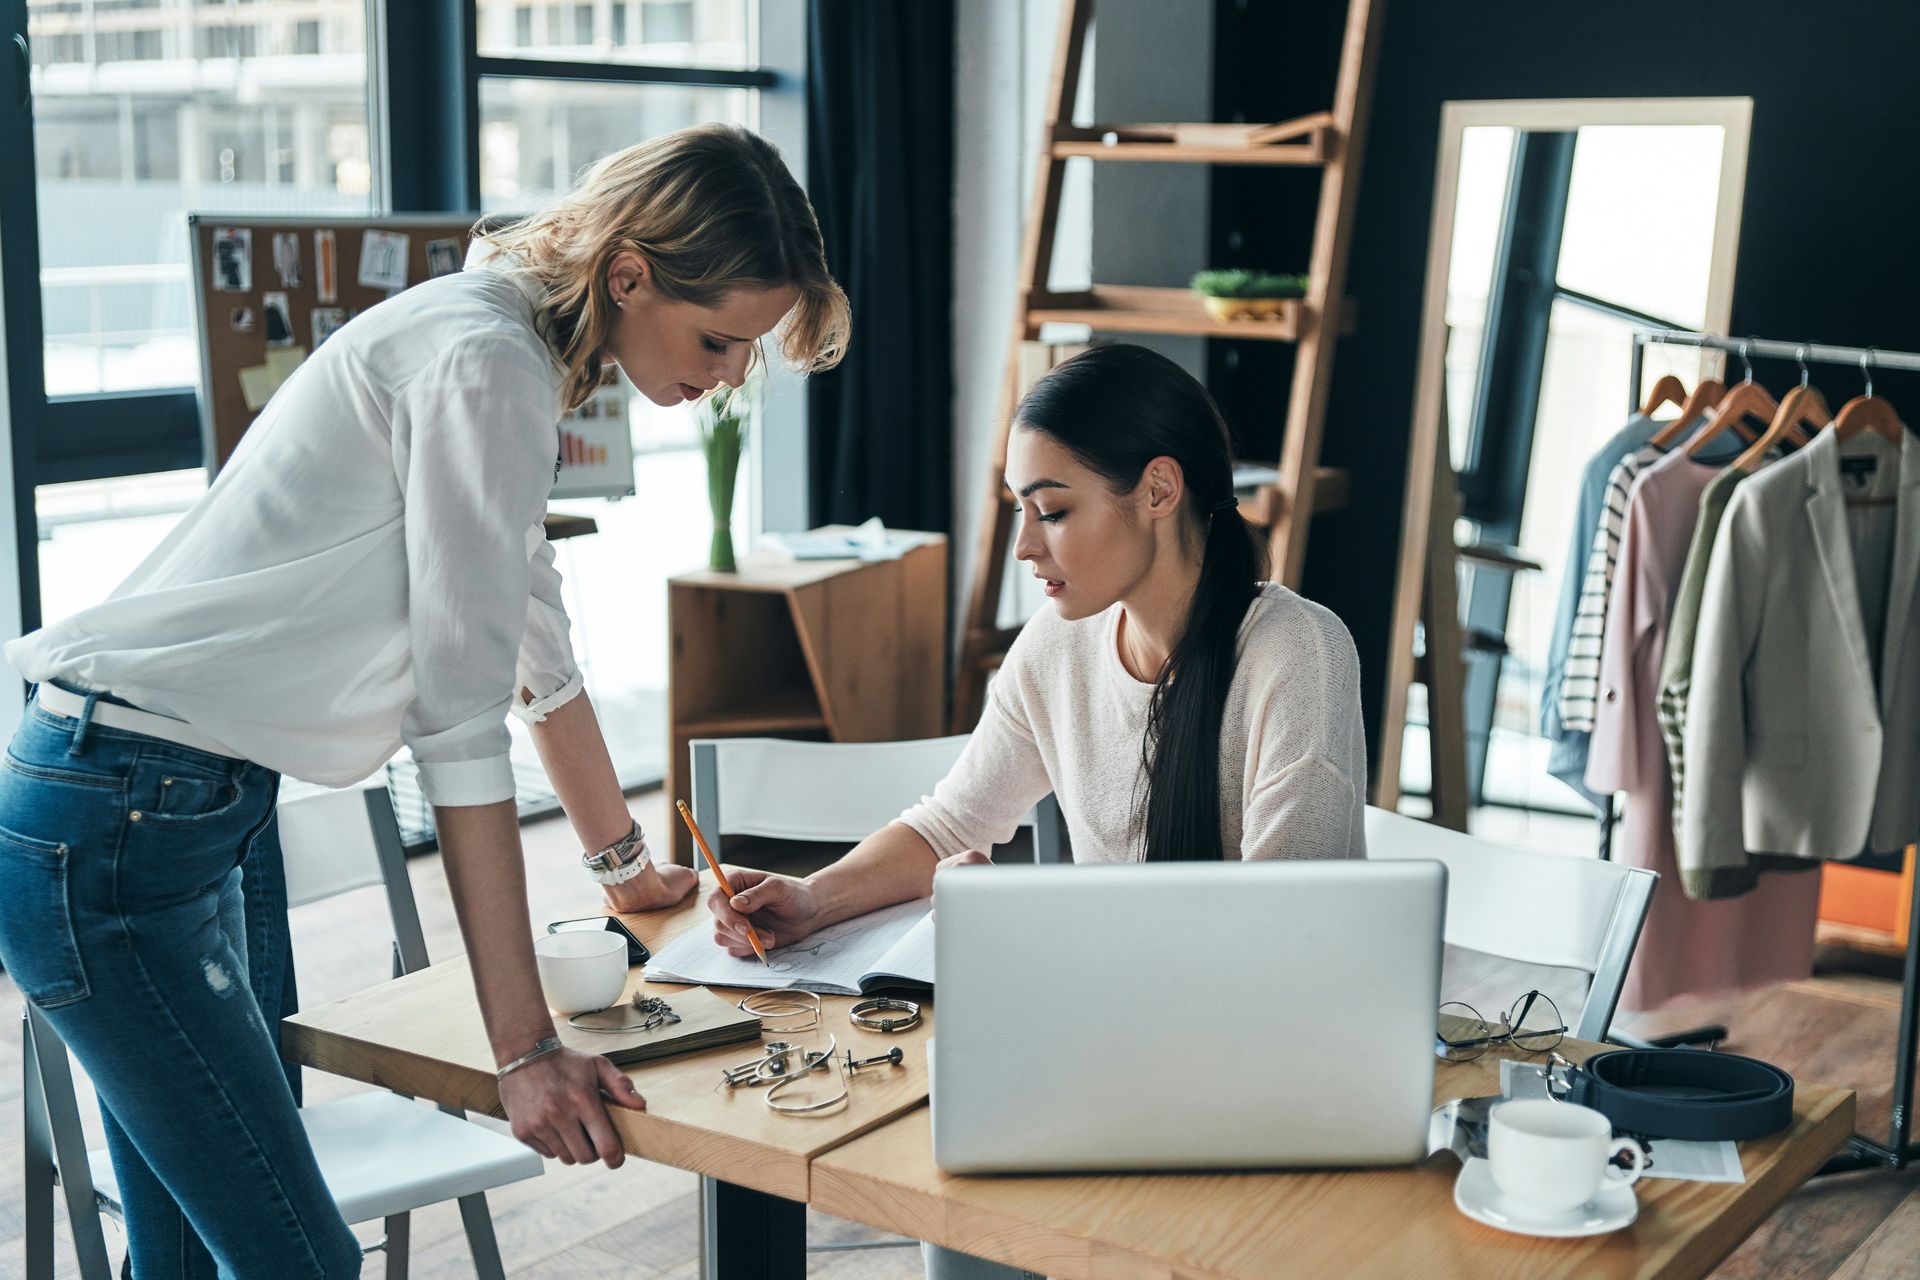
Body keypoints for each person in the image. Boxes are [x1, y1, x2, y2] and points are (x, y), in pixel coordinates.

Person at [0, 122, 847, 1279]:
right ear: (630, 273)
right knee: (294, 1258)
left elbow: (534, 647)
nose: (730, 375)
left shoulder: (500, 350)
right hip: (120, 822)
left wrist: (625, 870)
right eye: (720, 338)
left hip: (166, 804)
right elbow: (458, 725)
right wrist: (525, 1049)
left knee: (197, 1261)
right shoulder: (485, 359)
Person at [702, 342, 1365, 1280]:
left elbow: (1280, 932)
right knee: (950, 1171)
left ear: (1160, 490)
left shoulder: (1297, 654)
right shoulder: (1057, 647)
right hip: (1114, 1050)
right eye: (1021, 510)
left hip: (1260, 1075)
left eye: (1052, 510)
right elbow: (949, 823)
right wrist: (814, 900)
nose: (1024, 547)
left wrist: (1024, 932)